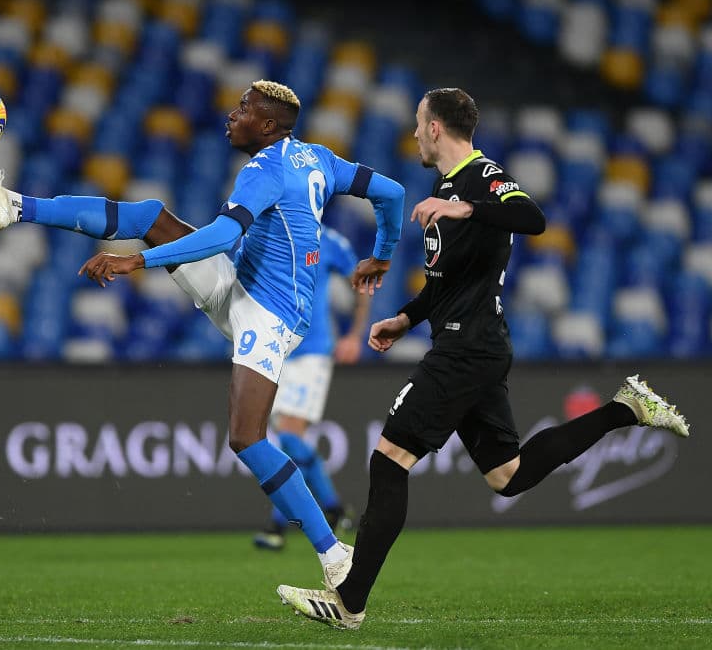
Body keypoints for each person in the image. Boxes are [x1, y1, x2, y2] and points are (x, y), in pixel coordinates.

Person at [0, 80, 406, 589]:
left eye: (244, 110)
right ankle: (14, 207)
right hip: (244, 284)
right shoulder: (317, 157)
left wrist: (138, 261)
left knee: (246, 437)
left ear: (269, 126)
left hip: (268, 316)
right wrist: (382, 254)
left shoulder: (265, 171)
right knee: (149, 215)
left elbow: (226, 234)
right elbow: (392, 192)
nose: (232, 116)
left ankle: (334, 556)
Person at [275, 87, 689, 630]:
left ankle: (350, 601)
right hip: (471, 342)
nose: (414, 133)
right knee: (508, 476)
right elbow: (448, 281)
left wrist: (465, 206)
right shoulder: (443, 186)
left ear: (437, 128)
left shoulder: (480, 175)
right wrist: (405, 317)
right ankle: (626, 409)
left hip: (468, 347)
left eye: (419, 124)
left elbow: (532, 216)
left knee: (389, 459)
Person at [254, 225, 371, 551]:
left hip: (313, 351)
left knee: (289, 437)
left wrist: (354, 335)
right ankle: (333, 509)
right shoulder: (269, 236)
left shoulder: (330, 241)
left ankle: (280, 527)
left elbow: (364, 280)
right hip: (275, 349)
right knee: (285, 443)